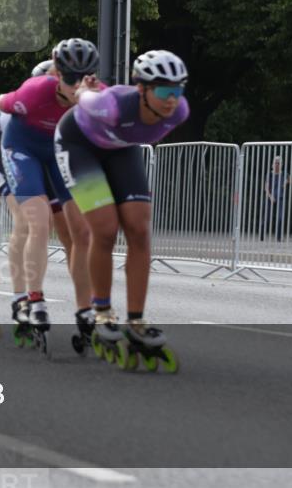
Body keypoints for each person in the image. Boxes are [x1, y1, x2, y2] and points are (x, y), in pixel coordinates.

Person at [54, 49, 189, 364]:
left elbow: (135, 133)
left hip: (120, 148)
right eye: (164, 91)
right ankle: (101, 311)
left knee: (139, 229)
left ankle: (137, 320)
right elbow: (82, 95)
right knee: (105, 229)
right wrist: (86, 89)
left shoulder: (180, 111)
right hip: (77, 145)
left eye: (178, 90)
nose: (172, 99)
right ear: (142, 89)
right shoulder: (111, 104)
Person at [0, 38, 101, 345]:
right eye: (70, 78)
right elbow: (0, 102)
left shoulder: (97, 94)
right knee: (39, 222)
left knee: (82, 232)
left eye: (84, 78)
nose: (77, 86)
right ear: (57, 73)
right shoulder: (35, 91)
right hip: (22, 148)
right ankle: (33, 298)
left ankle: (86, 308)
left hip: (60, 152)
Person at [0, 59, 76, 337]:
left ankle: (86, 302)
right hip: (7, 156)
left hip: (48, 158)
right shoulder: (26, 101)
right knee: (28, 222)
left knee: (68, 231)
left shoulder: (70, 104)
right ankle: (20, 297)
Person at [260, 156, 291, 242]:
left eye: (278, 163)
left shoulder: (284, 173)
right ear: (273, 164)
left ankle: (279, 237)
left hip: (280, 198)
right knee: (266, 218)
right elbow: (266, 187)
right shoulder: (269, 174)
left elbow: (289, 179)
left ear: (281, 164)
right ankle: (262, 236)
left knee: (280, 217)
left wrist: (285, 183)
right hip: (269, 197)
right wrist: (270, 197)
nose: (277, 165)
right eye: (275, 163)